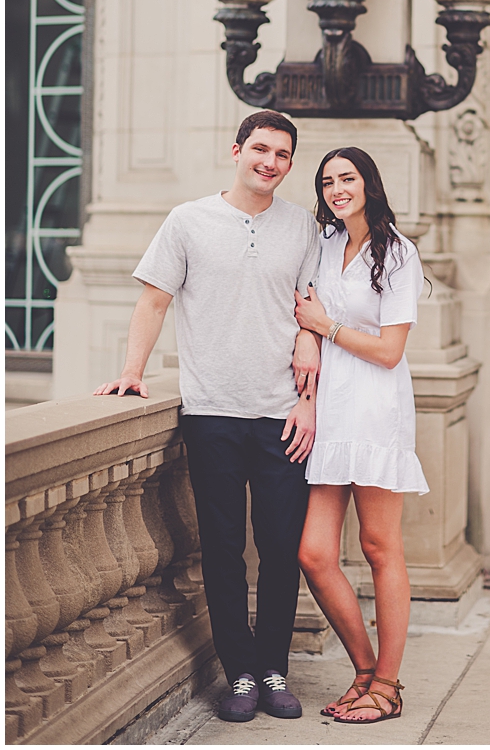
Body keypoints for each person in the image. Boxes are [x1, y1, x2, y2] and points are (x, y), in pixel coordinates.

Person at [96, 110, 322, 723]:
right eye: (260, 149)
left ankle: (274, 669)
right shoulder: (188, 221)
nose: (269, 161)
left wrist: (309, 372)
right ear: (237, 150)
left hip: (283, 416)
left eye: (281, 153)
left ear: (291, 163)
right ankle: (240, 675)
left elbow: (316, 310)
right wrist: (133, 370)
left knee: (280, 549)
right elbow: (154, 300)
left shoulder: (304, 226)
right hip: (211, 411)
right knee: (223, 549)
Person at [292, 146, 428, 725]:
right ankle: (368, 671)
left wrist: (325, 326)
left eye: (347, 178)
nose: (336, 189)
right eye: (327, 181)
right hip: (329, 412)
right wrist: (307, 339)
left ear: (369, 183)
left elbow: (390, 350)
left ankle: (388, 685)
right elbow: (298, 309)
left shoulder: (397, 253)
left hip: (375, 409)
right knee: (315, 553)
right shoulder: (321, 245)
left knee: (379, 547)